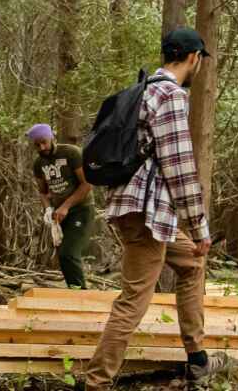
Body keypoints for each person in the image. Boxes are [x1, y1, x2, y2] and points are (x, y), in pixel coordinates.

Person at [81, 28, 224, 391]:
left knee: (192, 263)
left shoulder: (145, 90)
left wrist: (193, 237)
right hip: (147, 214)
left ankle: (197, 359)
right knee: (134, 298)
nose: (199, 68)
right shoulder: (171, 96)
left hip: (141, 210)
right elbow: (179, 166)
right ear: (193, 58)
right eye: (199, 62)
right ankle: (96, 382)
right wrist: (200, 228)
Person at [28, 123, 96, 289]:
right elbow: (43, 192)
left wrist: (65, 206)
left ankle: (82, 295)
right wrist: (48, 209)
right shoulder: (39, 164)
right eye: (37, 144)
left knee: (69, 252)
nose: (42, 147)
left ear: (52, 137)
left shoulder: (71, 153)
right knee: (63, 256)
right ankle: (74, 291)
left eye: (44, 142)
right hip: (59, 215)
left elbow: (87, 184)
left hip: (81, 210)